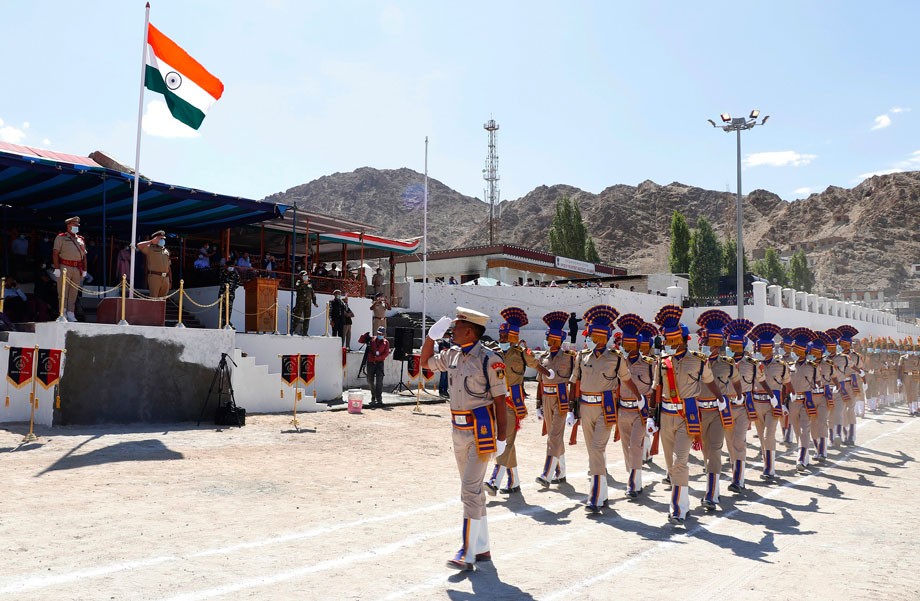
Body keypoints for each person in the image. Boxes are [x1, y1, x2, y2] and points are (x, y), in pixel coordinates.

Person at [421, 307, 507, 572]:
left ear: (469, 331)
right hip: (457, 430)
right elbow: (425, 363)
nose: (452, 331)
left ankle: (466, 552)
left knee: (469, 491)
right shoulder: (452, 355)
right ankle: (482, 548)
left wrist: (501, 438)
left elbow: (501, 402)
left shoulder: (490, 360)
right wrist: (430, 338)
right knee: (474, 491)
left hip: (480, 433)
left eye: (456, 327)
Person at [653, 304, 723, 525]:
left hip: (687, 416)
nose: (668, 345)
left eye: (671, 341)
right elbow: (657, 390)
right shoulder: (662, 362)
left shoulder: (699, 361)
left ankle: (677, 509)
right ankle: (683, 503)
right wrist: (650, 417)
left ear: (682, 340)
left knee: (680, 461)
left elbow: (710, 383)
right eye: (667, 341)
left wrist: (721, 400)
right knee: (670, 465)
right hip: (665, 415)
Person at [571, 305, 641, 513]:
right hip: (585, 408)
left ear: (606, 337)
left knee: (597, 449)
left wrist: (639, 397)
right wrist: (570, 410)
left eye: (598, 336)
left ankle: (594, 496)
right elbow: (575, 382)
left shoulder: (616, 357)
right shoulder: (581, 356)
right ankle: (602, 493)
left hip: (606, 408)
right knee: (592, 450)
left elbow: (626, 380)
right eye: (593, 335)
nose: (595, 339)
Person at [484, 308, 549, 497]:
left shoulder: (521, 353)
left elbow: (535, 364)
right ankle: (514, 482)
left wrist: (548, 374)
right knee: (506, 441)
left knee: (505, 440)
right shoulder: (495, 353)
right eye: (501, 335)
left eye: (505, 336)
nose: (502, 339)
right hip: (496, 401)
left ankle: (495, 480)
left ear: (513, 337)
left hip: (513, 403)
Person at [695, 310, 742, 510]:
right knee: (705, 452)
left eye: (714, 344)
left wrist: (738, 396)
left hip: (717, 412)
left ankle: (711, 494)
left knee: (714, 450)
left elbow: (738, 382)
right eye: (707, 343)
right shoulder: (694, 362)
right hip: (695, 413)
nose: (710, 347)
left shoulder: (728, 364)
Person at [616, 313, 658, 498]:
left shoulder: (649, 364)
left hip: (640, 411)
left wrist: (653, 414)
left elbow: (655, 388)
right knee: (627, 447)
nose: (627, 347)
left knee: (635, 445)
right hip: (622, 409)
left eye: (630, 343)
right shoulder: (618, 362)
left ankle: (633, 483)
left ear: (638, 344)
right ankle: (636, 477)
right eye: (625, 343)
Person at [535, 311, 576, 488]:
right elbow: (539, 382)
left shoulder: (569, 358)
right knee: (554, 437)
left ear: (558, 341)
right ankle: (562, 471)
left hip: (562, 399)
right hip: (547, 399)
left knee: (554, 436)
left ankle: (547, 474)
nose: (549, 343)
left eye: (552, 340)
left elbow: (575, 382)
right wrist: (538, 404)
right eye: (548, 339)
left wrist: (573, 408)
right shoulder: (542, 358)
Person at [748, 322, 790, 482]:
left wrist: (784, 402)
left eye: (765, 349)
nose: (762, 352)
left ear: (771, 349)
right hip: (757, 403)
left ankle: (770, 468)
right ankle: (767, 464)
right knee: (761, 436)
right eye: (760, 349)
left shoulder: (781, 365)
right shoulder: (753, 365)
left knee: (769, 435)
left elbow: (787, 385)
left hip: (773, 405)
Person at [724, 318, 757, 492]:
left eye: (735, 345)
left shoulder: (751, 364)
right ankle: (735, 474)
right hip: (727, 407)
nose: (732, 347)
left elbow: (757, 384)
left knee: (739, 442)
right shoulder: (725, 362)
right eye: (731, 344)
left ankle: (739, 479)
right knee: (730, 444)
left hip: (743, 407)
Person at [52, 216, 87, 322]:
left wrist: (85, 270)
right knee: (63, 291)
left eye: (77, 225)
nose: (76, 227)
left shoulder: (80, 239)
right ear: (68, 226)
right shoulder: (61, 237)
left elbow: (84, 256)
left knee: (73, 293)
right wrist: (57, 268)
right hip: (65, 267)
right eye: (74, 225)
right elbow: (55, 253)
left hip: (77, 268)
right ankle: (62, 313)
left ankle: (71, 313)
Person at [137, 230, 172, 298]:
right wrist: (151, 241)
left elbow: (168, 266)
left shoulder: (166, 251)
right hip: (155, 276)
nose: (162, 240)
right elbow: (139, 245)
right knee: (154, 299)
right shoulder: (150, 248)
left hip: (166, 278)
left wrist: (170, 280)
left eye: (163, 239)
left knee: (163, 300)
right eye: (160, 238)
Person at [366, 327, 390, 407]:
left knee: (379, 381)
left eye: (381, 334)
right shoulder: (372, 339)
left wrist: (379, 358)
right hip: (370, 362)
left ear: (384, 334)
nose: (380, 335)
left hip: (379, 363)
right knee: (370, 380)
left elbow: (386, 353)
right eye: (379, 333)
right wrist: (364, 336)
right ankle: (373, 396)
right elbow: (361, 341)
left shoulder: (386, 342)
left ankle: (379, 398)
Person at [292, 271, 318, 336]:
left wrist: (314, 302)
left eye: (306, 275)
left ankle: (305, 332)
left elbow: (312, 293)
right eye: (304, 276)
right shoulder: (298, 282)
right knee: (297, 317)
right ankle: (293, 331)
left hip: (308, 303)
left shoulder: (310, 283)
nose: (306, 277)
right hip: (300, 303)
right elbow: (296, 287)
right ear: (301, 276)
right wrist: (303, 283)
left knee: (307, 318)